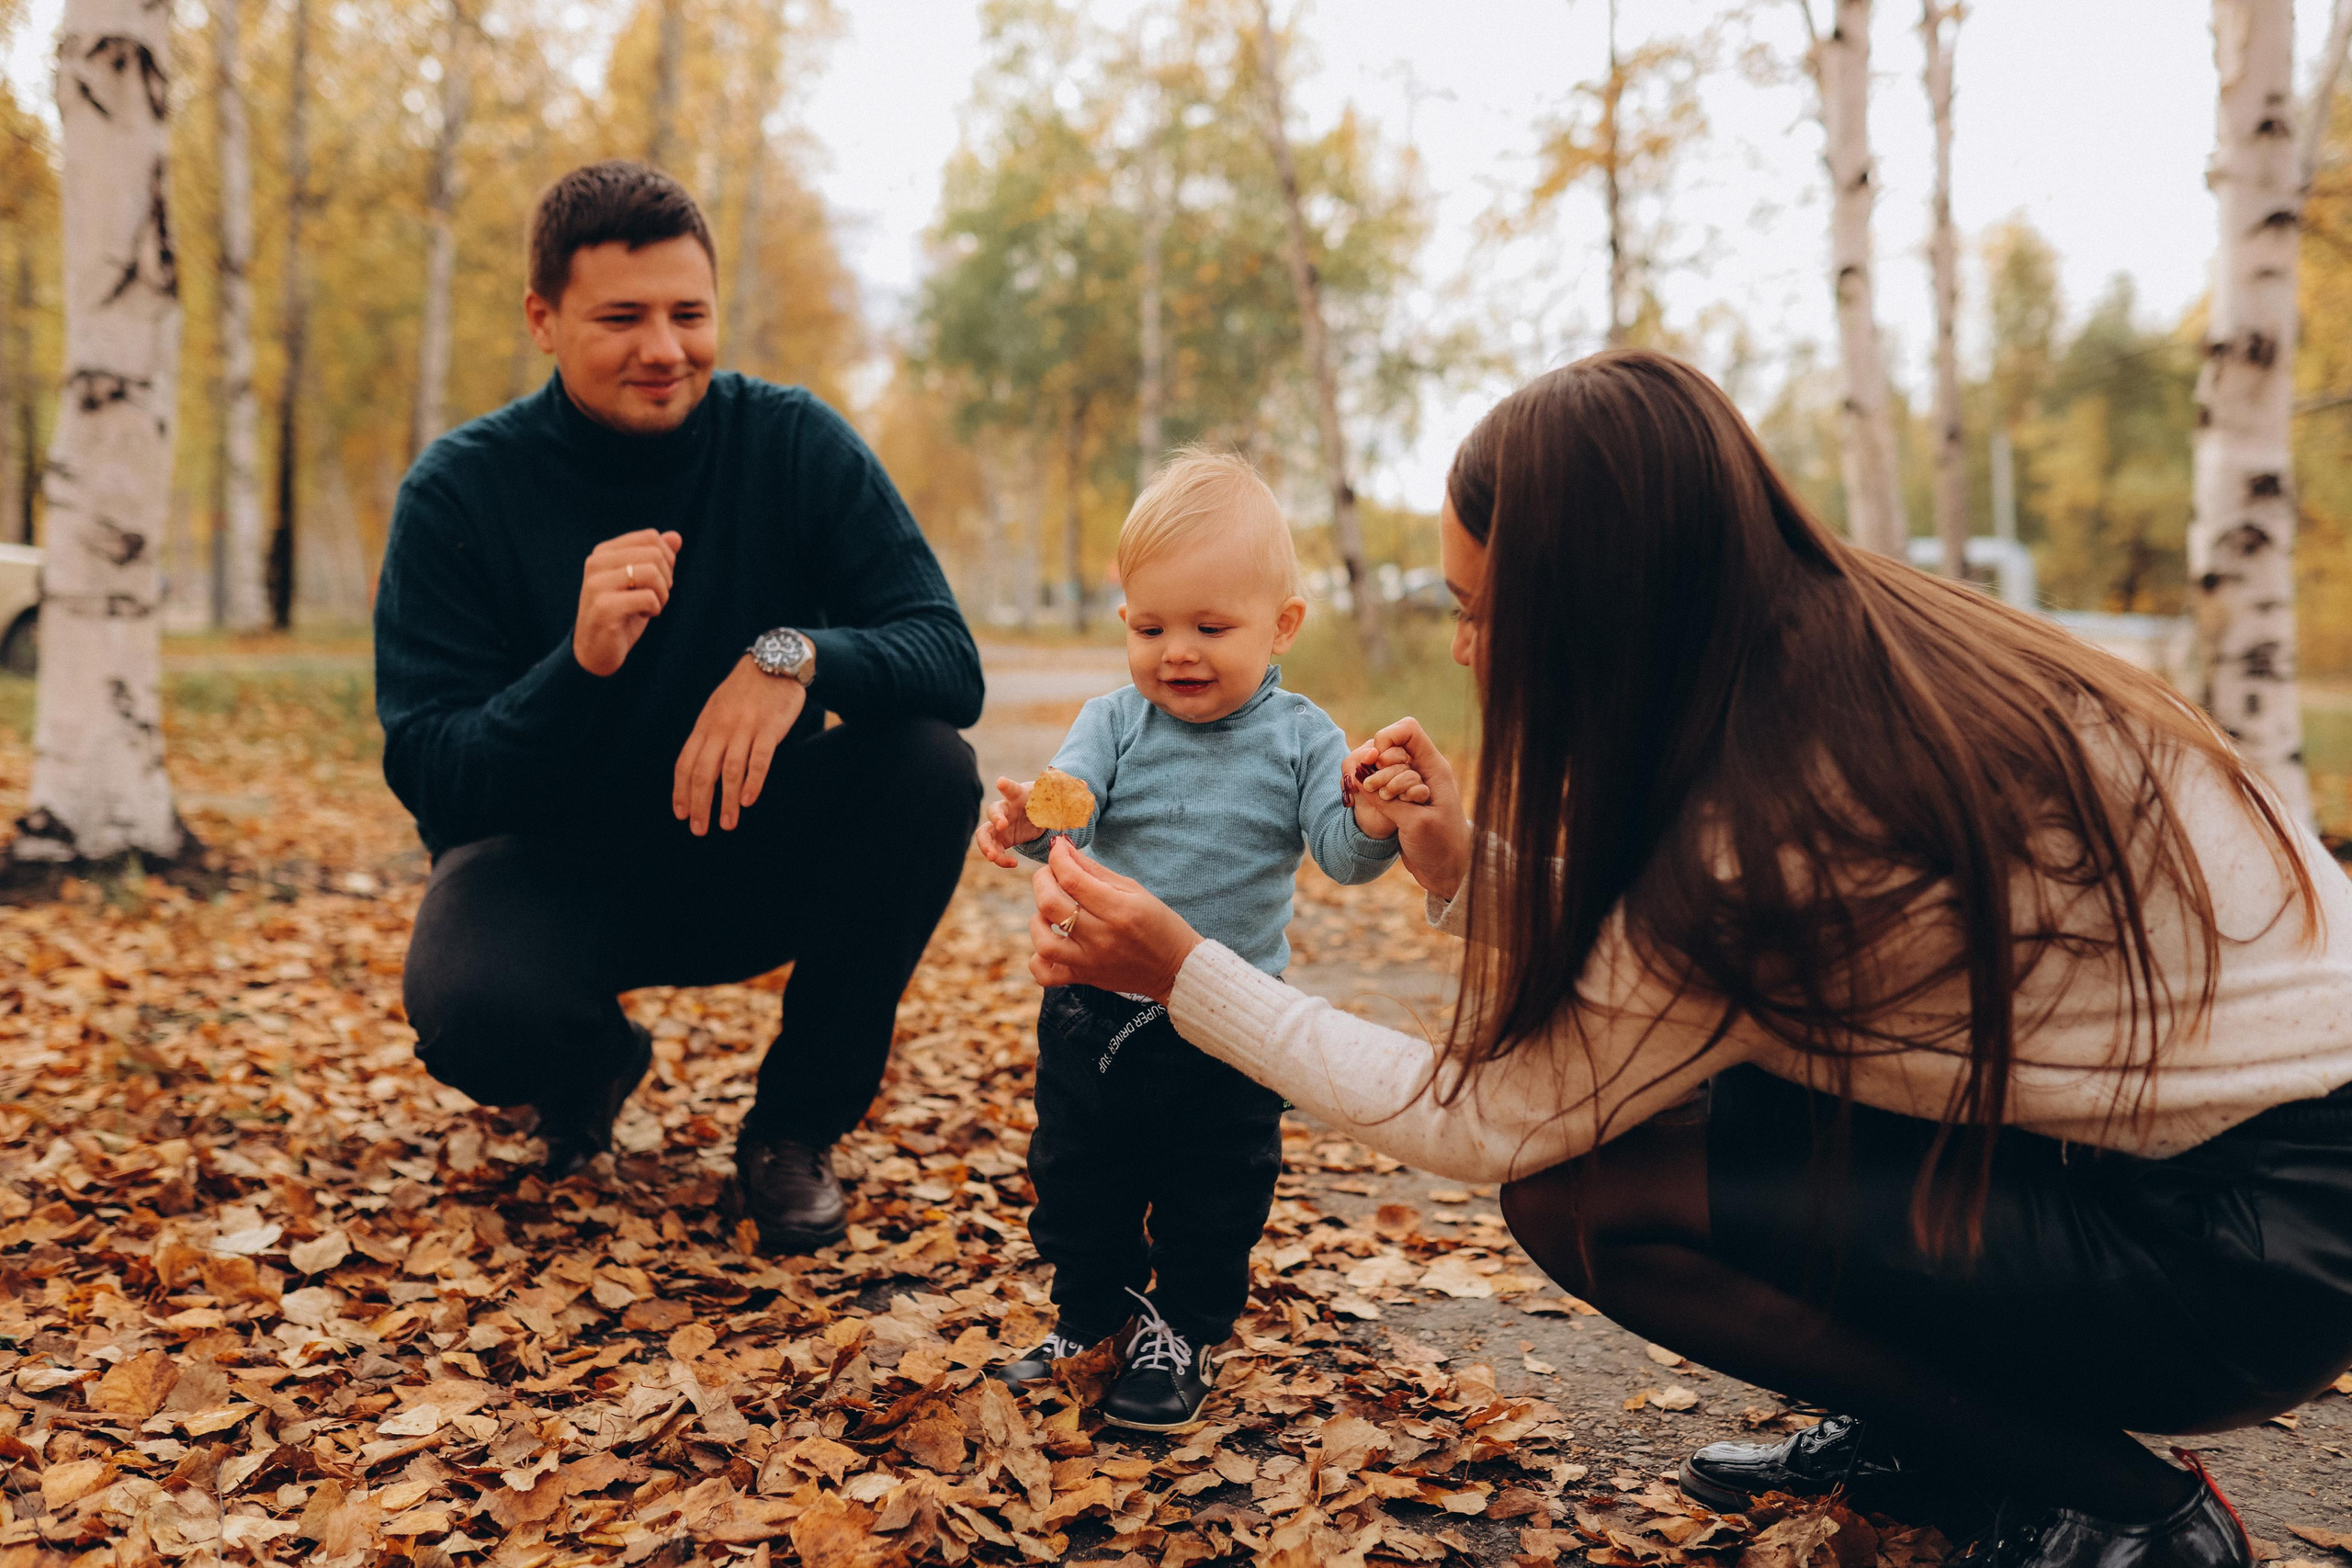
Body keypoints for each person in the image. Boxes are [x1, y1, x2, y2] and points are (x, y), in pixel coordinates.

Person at [1022, 350, 2352, 1567]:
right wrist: (1462, 863)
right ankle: (1939, 1437)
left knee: (1588, 1194)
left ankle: (2133, 1517)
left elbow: (1488, 1116)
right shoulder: (1852, 655)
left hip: (2248, 1244)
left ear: (1603, 605)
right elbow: (1691, 960)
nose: (1467, 647)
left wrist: (1181, 970)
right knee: (1751, 1079)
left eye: (1489, 610)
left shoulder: (1781, 803)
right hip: (2198, 1166)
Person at [375, 161, 984, 1251]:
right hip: (551, 874)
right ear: (543, 320)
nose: (664, 348)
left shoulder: (791, 444)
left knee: (926, 764)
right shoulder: (460, 492)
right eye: (621, 317)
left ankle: (792, 1131)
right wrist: (578, 665)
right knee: (473, 1014)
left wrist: (792, 654)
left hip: (748, 851)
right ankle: (591, 1061)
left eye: (687, 314)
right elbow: (430, 771)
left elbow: (946, 657)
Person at [971, 451, 1413, 1430]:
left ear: (1280, 625)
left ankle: (1183, 1329)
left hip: (1228, 1017)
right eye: (1150, 626)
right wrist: (1026, 820)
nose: (1177, 652)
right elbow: (1069, 803)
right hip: (1095, 1007)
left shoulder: (1301, 738)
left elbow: (1339, 855)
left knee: (1210, 1189)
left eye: (1211, 628)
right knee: (1077, 1174)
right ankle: (1091, 1314)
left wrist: (1375, 822)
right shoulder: (1115, 722)